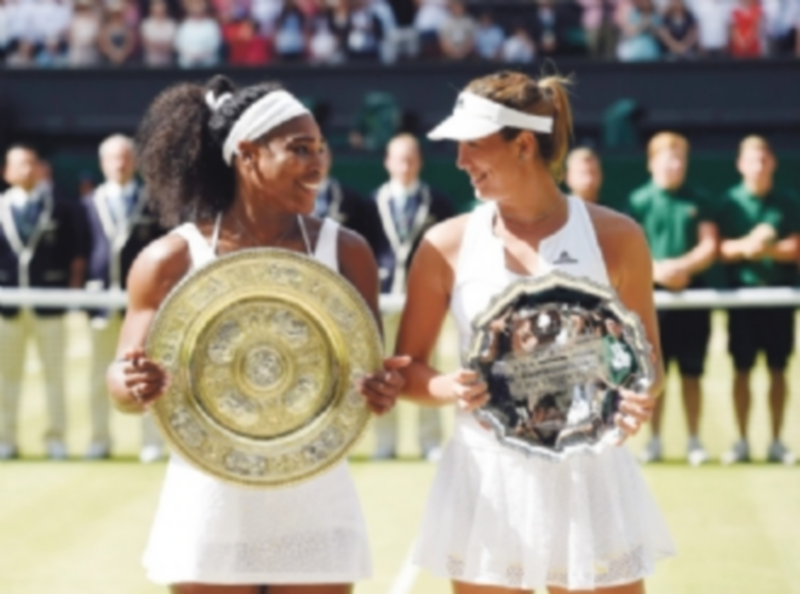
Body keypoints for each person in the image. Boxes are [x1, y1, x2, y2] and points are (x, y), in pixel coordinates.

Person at [107, 74, 407, 592]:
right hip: (209, 494)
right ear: (246, 155)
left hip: (315, 495)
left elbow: (366, 377)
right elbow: (119, 383)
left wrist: (382, 391)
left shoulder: (349, 252)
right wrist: (134, 384)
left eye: (320, 148)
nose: (318, 163)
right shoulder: (168, 260)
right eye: (299, 149)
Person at [394, 70, 673, 592]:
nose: (459, 162)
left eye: (472, 145)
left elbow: (648, 362)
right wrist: (448, 387)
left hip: (593, 477)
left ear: (522, 144)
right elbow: (406, 369)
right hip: (487, 481)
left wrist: (639, 392)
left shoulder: (618, 237)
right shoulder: (442, 245)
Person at [627, 132, 719, 466]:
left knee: (692, 372)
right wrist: (657, 271)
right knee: (653, 373)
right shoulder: (637, 201)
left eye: (679, 158)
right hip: (651, 301)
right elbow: (629, 250)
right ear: (652, 162)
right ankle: (654, 441)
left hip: (692, 297)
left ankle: (694, 440)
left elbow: (709, 246)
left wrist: (682, 267)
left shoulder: (699, 199)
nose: (674, 165)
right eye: (667, 158)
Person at [82, 134, 168, 462]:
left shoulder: (153, 202)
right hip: (101, 304)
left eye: (125, 158)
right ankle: (99, 439)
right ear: (103, 164)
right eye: (113, 159)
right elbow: (82, 250)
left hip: (144, 306)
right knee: (99, 374)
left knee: (146, 372)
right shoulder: (89, 203)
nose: (120, 164)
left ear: (135, 162)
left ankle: (151, 443)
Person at [370, 132, 455, 461]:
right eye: (398, 159)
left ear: (419, 161)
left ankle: (430, 441)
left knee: (425, 368)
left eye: (410, 159)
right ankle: (385, 443)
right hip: (383, 296)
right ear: (387, 162)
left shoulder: (437, 201)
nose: (404, 166)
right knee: (382, 371)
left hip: (422, 299)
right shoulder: (372, 201)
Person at [0, 145, 86, 460]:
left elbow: (76, 254)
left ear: (39, 169)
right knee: (6, 378)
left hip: (49, 305)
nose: (26, 170)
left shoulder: (60, 208)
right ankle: (5, 439)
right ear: (6, 173)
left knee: (54, 375)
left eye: (31, 164)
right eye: (19, 165)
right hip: (7, 308)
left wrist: (72, 292)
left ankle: (56, 439)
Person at [718, 135, 799, 465]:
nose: (759, 166)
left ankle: (777, 441)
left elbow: (795, 247)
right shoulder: (728, 203)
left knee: (779, 370)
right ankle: (741, 441)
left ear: (773, 163)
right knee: (742, 370)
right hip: (742, 300)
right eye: (753, 160)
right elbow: (720, 248)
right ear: (741, 165)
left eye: (765, 159)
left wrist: (764, 247)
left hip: (779, 299)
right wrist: (744, 246)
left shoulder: (788, 202)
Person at [312, 143, 383, 254]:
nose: (315, 163)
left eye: (321, 155)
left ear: (329, 159)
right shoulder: (287, 200)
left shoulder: (350, 199)